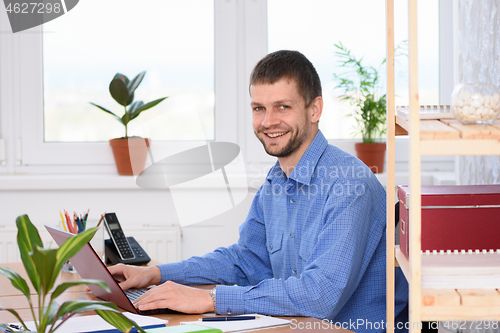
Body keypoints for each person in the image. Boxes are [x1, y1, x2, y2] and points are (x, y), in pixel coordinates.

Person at [109, 50, 409, 332]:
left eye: (283, 107)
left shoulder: (349, 184)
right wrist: (158, 274)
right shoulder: (276, 181)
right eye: (259, 109)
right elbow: (245, 260)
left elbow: (321, 295)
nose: (267, 122)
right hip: (296, 325)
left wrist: (213, 299)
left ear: (314, 109)